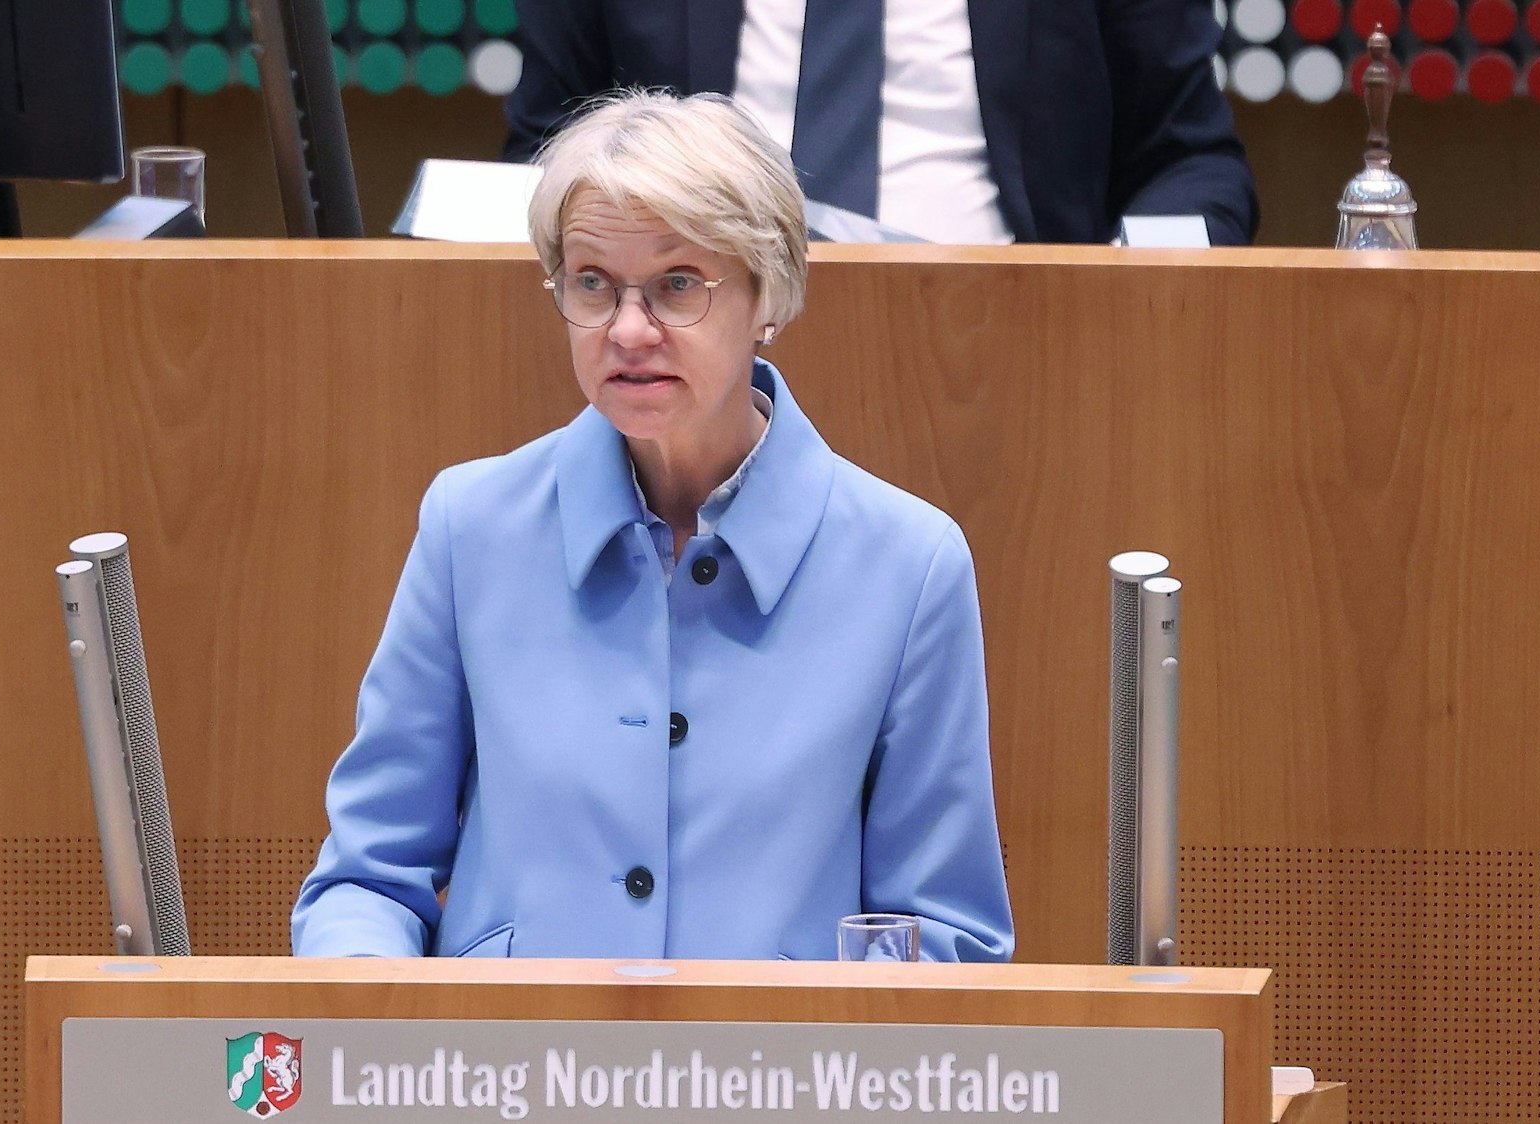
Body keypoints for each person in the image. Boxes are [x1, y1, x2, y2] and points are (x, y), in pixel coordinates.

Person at [291, 91, 1012, 963]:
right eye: (593, 283)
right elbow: (367, 879)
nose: (629, 331)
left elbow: (942, 934)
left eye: (677, 285)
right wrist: (378, 1006)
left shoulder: (909, 565)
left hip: (775, 1056)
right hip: (508, 1052)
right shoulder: (470, 527)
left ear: (769, 295)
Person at [503, 0, 1258, 247]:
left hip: (1012, 350)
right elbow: (547, 153)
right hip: (687, 353)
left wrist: (1124, 293)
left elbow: (1190, 164)